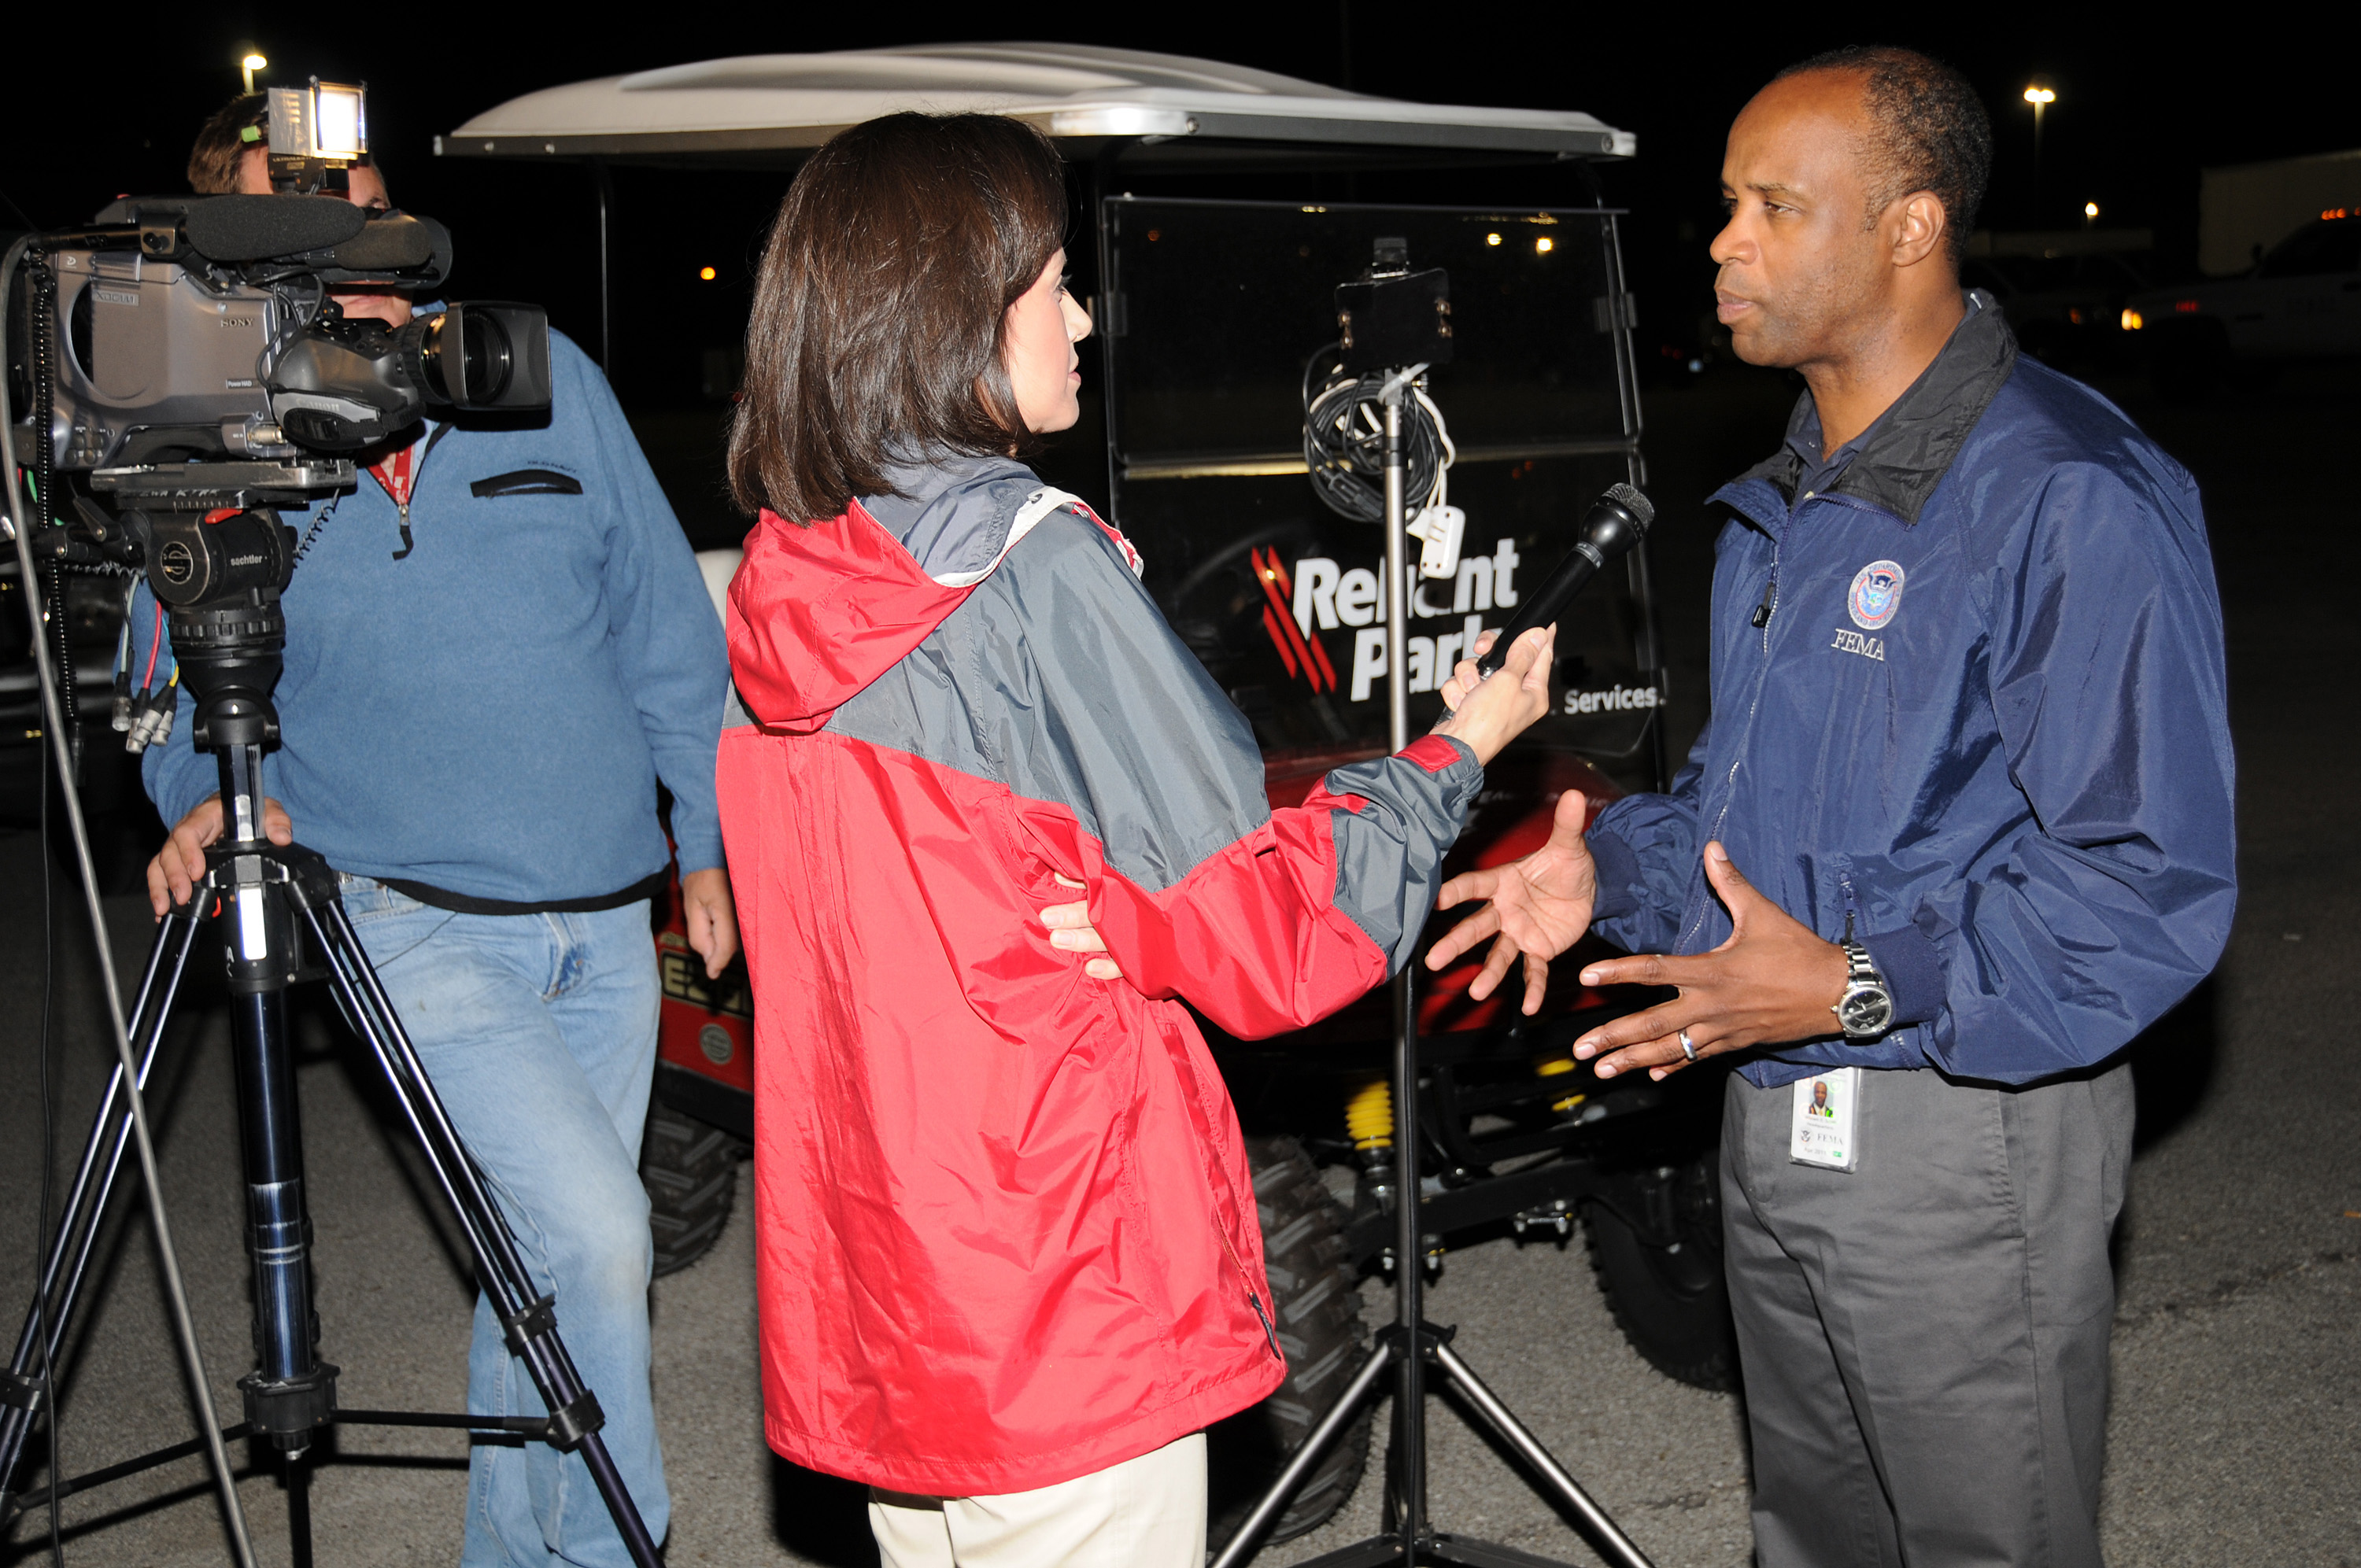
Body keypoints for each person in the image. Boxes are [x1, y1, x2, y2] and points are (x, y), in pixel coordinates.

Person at [1426, 46, 2235, 1568]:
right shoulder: (1791, 496)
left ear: (1911, 227)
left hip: (1964, 1121)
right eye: (1728, 202)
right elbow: (1763, 818)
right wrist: (1616, 876)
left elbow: (2145, 881)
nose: (1725, 241)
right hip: (1776, 1098)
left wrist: (1865, 983)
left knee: (1981, 1541)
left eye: (1775, 206)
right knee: (1813, 1536)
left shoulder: (2071, 495)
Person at [714, 113, 1557, 1568]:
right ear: (952, 311)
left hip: (891, 1292)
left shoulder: (791, 570)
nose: (1084, 316)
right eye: (1052, 280)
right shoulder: (1032, 567)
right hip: (1065, 1284)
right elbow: (1272, 927)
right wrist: (1458, 751)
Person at [137, 92, 737, 1567]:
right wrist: (194, 797)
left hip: (605, 924)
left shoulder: (538, 377)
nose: (365, 240)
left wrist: (706, 833)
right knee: (599, 1238)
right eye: (312, 217)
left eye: (374, 201)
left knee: (543, 1266)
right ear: (239, 256)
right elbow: (164, 691)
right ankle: (622, 1544)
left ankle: (504, 1547)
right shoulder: (218, 427)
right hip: (407, 925)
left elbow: (665, 625)